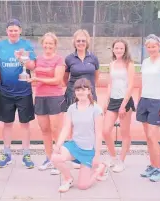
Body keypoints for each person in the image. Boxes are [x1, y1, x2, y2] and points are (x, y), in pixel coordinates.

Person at [51, 78, 109, 193]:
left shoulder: (96, 109)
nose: (80, 92)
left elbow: (98, 133)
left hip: (88, 150)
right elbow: (66, 128)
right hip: (75, 146)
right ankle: (68, 179)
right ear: (75, 92)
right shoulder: (72, 108)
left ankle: (101, 167)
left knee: (83, 186)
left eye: (83, 89)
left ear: (89, 91)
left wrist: (97, 155)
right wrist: (58, 144)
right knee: (55, 157)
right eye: (78, 90)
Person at [0, 19, 37, 169]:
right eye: (10, 30)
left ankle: (26, 154)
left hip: (24, 91)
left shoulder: (26, 45)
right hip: (5, 92)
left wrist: (21, 59)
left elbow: (33, 65)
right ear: (7, 31)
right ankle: (6, 154)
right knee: (7, 124)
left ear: (20, 31)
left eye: (15, 30)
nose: (13, 33)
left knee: (25, 124)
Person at [136, 34, 160, 182]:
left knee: (153, 137)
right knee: (148, 138)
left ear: (159, 46)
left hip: (157, 101)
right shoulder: (145, 62)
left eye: (154, 46)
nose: (151, 49)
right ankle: (152, 166)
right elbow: (142, 83)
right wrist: (139, 100)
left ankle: (159, 169)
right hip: (144, 100)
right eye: (149, 46)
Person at [27, 32, 66, 174]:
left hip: (55, 97)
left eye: (51, 43)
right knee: (44, 130)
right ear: (42, 44)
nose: (48, 45)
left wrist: (38, 80)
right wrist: (21, 57)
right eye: (46, 43)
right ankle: (49, 159)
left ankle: (59, 160)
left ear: (55, 45)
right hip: (40, 97)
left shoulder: (59, 59)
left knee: (56, 130)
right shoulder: (38, 59)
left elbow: (57, 80)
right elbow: (28, 64)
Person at [63, 29, 100, 169]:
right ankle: (76, 156)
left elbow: (96, 77)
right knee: (73, 125)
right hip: (73, 96)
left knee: (91, 125)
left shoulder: (94, 58)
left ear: (87, 42)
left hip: (90, 96)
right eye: (78, 40)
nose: (81, 43)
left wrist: (88, 90)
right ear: (74, 42)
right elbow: (65, 78)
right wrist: (74, 90)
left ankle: (89, 154)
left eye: (83, 40)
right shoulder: (69, 59)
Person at [101, 39, 136, 173]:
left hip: (125, 101)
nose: (119, 50)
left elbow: (131, 85)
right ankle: (113, 157)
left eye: (121, 48)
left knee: (124, 133)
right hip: (113, 101)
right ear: (113, 49)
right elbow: (110, 83)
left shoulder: (129, 64)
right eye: (116, 48)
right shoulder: (112, 64)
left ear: (125, 50)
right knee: (105, 131)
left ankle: (121, 161)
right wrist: (106, 100)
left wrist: (123, 105)